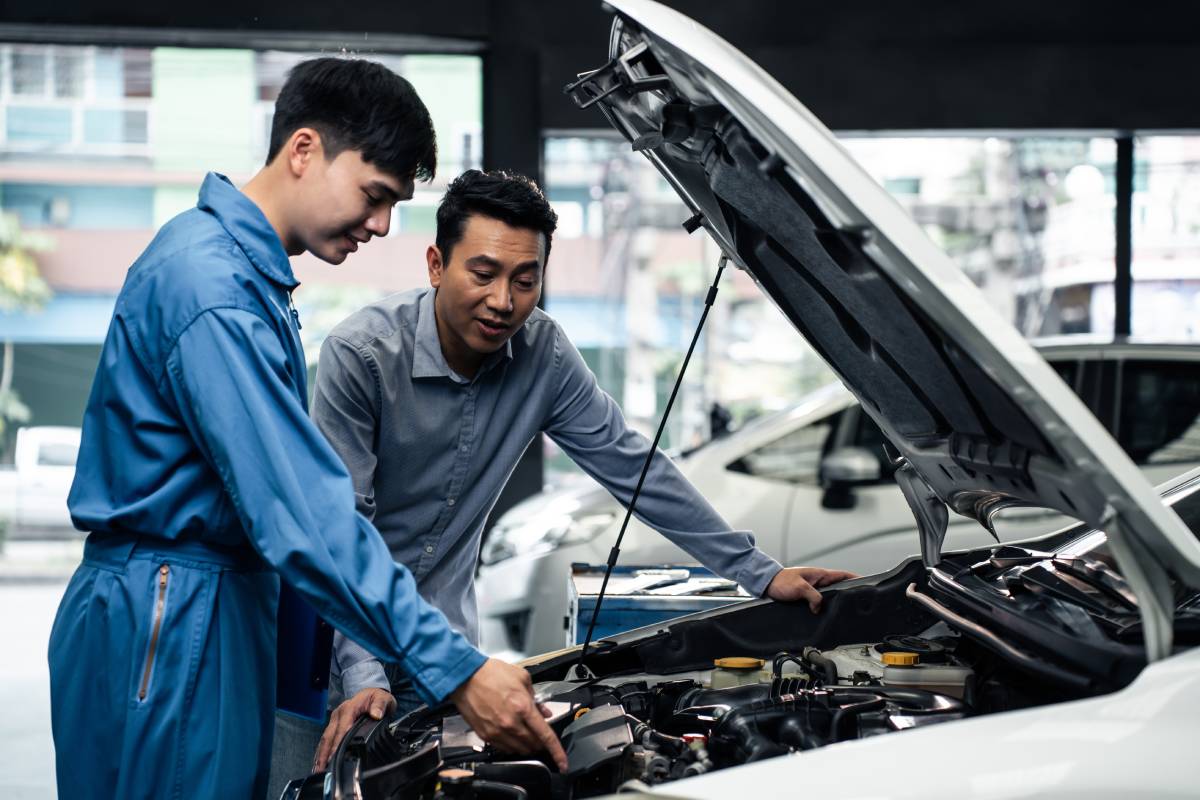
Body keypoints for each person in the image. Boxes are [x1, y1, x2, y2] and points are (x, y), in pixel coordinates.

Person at [48, 58, 566, 800]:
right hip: (169, 611)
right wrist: (455, 666)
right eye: (374, 194)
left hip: (207, 603)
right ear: (303, 151)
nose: (382, 224)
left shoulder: (241, 276)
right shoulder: (213, 289)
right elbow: (303, 513)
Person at [306, 169, 859, 770]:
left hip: (451, 649)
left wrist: (759, 572)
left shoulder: (542, 353)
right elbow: (342, 531)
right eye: (483, 273)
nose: (503, 301)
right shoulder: (359, 356)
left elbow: (635, 468)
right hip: (346, 643)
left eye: (526, 279)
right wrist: (363, 672)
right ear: (437, 264)